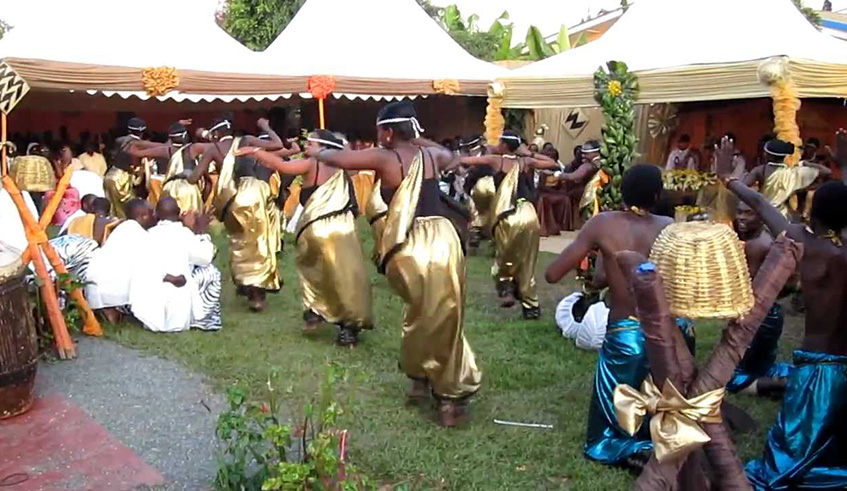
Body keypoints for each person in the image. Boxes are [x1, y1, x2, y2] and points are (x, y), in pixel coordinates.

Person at [303, 101, 481, 427]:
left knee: (418, 314)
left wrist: (317, 152)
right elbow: (452, 156)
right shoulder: (431, 156)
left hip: (409, 246)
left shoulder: (385, 157)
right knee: (446, 317)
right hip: (444, 241)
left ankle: (420, 381)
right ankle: (447, 397)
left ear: (386, 131)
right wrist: (422, 141)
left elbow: (339, 158)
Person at [714, 134, 847, 489]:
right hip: (842, 368)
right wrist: (843, 168)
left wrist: (729, 178)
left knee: (789, 460)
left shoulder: (804, 243)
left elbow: (760, 202)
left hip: (817, 372)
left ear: (812, 213)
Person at [544, 164, 672, 469]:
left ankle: (622, 447)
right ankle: (654, 440)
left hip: (625, 333)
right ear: (657, 195)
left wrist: (599, 248)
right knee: (655, 392)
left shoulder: (603, 224)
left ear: (621, 191)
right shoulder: (669, 224)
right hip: (667, 333)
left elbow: (552, 274)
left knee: (610, 417)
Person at [238, 130, 373, 346]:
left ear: (323, 147)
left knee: (314, 270)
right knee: (346, 275)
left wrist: (255, 151)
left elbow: (282, 166)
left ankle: (316, 311)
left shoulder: (312, 163)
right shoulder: (344, 165)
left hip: (316, 229)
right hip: (344, 227)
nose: (306, 146)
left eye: (311, 143)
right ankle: (349, 326)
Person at [188, 115, 297, 311]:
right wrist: (265, 125)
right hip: (256, 193)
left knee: (239, 242)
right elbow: (277, 144)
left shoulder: (214, 149)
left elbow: (194, 177)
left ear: (218, 133)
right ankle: (258, 294)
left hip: (232, 200)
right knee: (259, 242)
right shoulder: (246, 140)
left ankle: (247, 286)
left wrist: (192, 175)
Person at [458, 130, 557, 319]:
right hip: (530, 213)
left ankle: (507, 290)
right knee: (527, 261)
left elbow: (467, 162)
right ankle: (531, 307)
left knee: (504, 257)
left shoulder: (497, 161)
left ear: (504, 145)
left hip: (509, 215)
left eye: (499, 141)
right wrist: (529, 154)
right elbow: (552, 164)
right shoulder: (526, 162)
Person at [727, 200, 791, 396]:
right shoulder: (762, 239)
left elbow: (750, 291)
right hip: (769, 315)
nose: (741, 218)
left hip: (760, 318)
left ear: (761, 217)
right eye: (739, 212)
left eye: (748, 213)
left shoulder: (757, 245)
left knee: (728, 379)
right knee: (758, 368)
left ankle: (785, 385)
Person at [131, 198, 221, 332]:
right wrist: (200, 231)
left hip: (150, 309)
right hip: (179, 304)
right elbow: (206, 257)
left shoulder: (147, 235)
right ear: (179, 213)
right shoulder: (185, 234)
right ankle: (205, 321)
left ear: (156, 213)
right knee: (211, 271)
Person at [85, 198, 160, 323]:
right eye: (152, 212)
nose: (155, 216)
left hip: (95, 289)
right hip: (109, 290)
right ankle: (113, 309)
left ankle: (109, 309)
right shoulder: (140, 235)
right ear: (144, 216)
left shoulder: (122, 229)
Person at [126, 121, 205, 213]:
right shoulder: (194, 149)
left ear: (170, 138)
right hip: (189, 188)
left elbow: (135, 152)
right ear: (186, 136)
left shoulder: (165, 150)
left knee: (169, 214)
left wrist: (136, 146)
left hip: (169, 188)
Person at [744, 139, 830, 217]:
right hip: (783, 217)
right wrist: (805, 163)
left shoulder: (760, 170)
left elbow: (743, 186)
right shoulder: (794, 172)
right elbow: (826, 171)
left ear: (768, 155)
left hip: (764, 213)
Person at [105, 118, 160, 218]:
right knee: (127, 211)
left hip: (110, 175)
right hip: (122, 179)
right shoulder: (139, 144)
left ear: (129, 130)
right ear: (142, 132)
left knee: (113, 212)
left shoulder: (119, 140)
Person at [460, 135, 496, 252]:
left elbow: (472, 173)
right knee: (493, 212)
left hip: (480, 185)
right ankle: (493, 241)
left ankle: (475, 240)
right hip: (493, 185)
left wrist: (467, 186)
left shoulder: (481, 156)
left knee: (475, 212)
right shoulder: (489, 152)